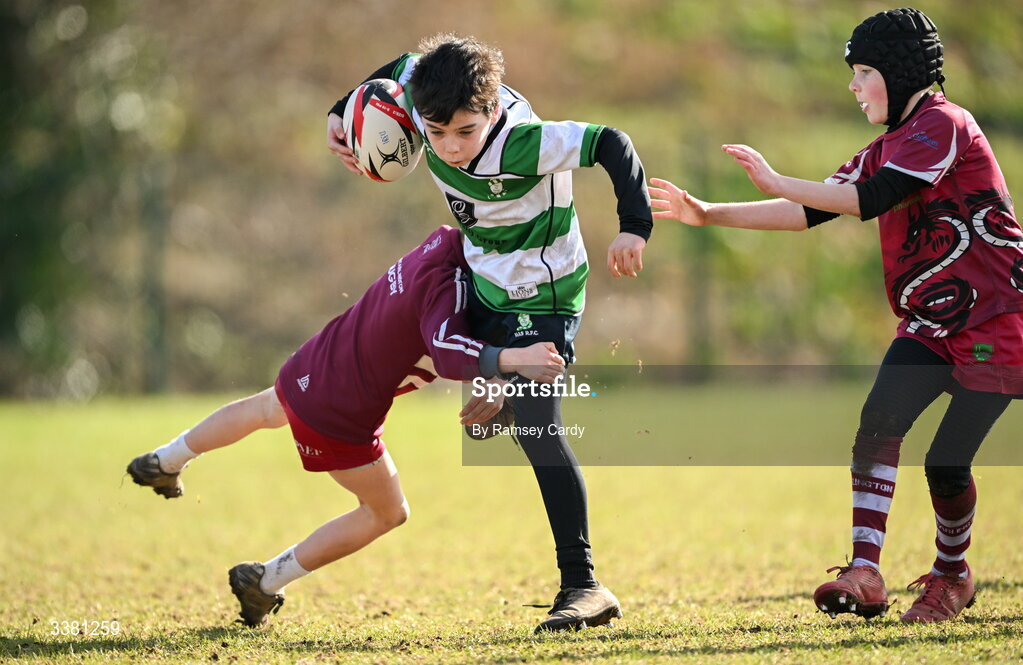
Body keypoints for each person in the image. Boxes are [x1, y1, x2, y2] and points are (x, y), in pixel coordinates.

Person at [649, 8, 1023, 624]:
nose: (853, 86)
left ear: (902, 75)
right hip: (931, 321)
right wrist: (708, 212)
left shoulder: (945, 124)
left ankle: (952, 576)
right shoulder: (887, 146)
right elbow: (810, 211)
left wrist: (778, 176)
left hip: (996, 323)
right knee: (878, 420)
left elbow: (867, 200)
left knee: (947, 462)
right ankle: (867, 571)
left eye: (865, 72)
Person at [327, 34, 652, 632]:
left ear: (494, 109)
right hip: (484, 281)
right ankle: (498, 389)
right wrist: (340, 114)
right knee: (469, 393)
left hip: (546, 295)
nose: (449, 147)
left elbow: (612, 143)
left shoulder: (526, 142)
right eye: (437, 131)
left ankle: (584, 586)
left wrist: (634, 225)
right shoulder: (426, 90)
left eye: (466, 132)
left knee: (536, 427)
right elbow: (397, 69)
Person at [126, 225, 567, 627]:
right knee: (387, 512)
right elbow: (449, 348)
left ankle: (165, 459)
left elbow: (434, 330)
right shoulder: (450, 290)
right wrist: (508, 363)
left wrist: (489, 377)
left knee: (266, 408)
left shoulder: (446, 240)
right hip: (339, 414)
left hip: (321, 359)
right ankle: (265, 582)